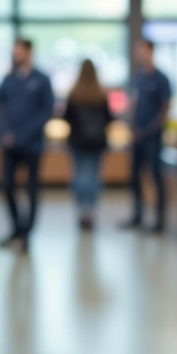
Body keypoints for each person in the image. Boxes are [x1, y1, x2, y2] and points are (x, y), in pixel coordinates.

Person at [0, 39, 54, 253]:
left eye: (19, 51)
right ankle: (16, 228)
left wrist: (22, 135)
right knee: (7, 186)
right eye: (14, 51)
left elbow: (46, 111)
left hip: (32, 145)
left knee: (31, 189)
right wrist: (4, 133)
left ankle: (27, 234)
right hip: (10, 145)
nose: (16, 54)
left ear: (29, 52)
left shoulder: (41, 80)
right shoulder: (8, 80)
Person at [124, 40, 171, 232]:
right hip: (137, 135)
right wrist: (131, 125)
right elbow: (132, 103)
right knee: (134, 176)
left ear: (151, 52)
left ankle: (160, 219)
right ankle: (137, 214)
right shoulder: (139, 78)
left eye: (142, 50)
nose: (140, 54)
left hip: (152, 135)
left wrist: (152, 128)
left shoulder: (161, 79)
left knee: (155, 176)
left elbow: (165, 106)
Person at [63, 60, 113, 231]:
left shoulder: (74, 94)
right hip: (97, 142)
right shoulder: (100, 93)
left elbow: (66, 118)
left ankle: (81, 211)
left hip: (78, 141)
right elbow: (108, 118)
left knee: (78, 175)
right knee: (93, 176)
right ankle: (90, 211)